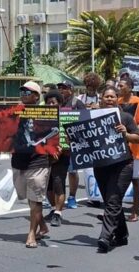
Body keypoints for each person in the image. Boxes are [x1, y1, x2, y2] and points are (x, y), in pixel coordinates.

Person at [93, 86, 139, 253]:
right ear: (101, 98)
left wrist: (126, 134)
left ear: (117, 98)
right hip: (101, 165)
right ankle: (121, 234)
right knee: (110, 201)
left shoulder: (126, 117)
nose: (109, 99)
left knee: (113, 200)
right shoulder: (91, 116)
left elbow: (137, 138)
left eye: (113, 96)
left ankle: (105, 237)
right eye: (106, 96)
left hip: (123, 165)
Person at [12, 81, 50, 248]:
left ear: (36, 96)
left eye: (28, 92)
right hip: (19, 160)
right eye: (23, 92)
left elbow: (54, 134)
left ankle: (31, 234)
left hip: (39, 160)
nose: (24, 95)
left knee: (35, 198)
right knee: (27, 196)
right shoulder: (14, 111)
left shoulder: (46, 113)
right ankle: (42, 225)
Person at [117, 77, 139, 222]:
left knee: (135, 180)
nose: (119, 87)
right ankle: (116, 210)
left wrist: (129, 132)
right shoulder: (118, 102)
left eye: (121, 85)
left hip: (134, 147)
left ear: (129, 87)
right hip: (120, 147)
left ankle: (135, 211)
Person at [58, 80, 85, 210]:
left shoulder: (77, 103)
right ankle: (58, 198)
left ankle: (72, 197)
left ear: (71, 90)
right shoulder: (55, 102)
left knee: (72, 172)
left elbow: (85, 121)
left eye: (64, 88)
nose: (61, 90)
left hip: (73, 144)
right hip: (58, 143)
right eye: (60, 88)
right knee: (58, 173)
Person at [43, 90, 68, 227]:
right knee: (48, 186)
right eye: (48, 103)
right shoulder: (42, 118)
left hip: (62, 156)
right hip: (47, 156)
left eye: (53, 103)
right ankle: (53, 209)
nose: (50, 105)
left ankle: (58, 213)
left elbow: (70, 137)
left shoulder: (66, 117)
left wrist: (62, 149)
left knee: (59, 184)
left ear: (60, 104)